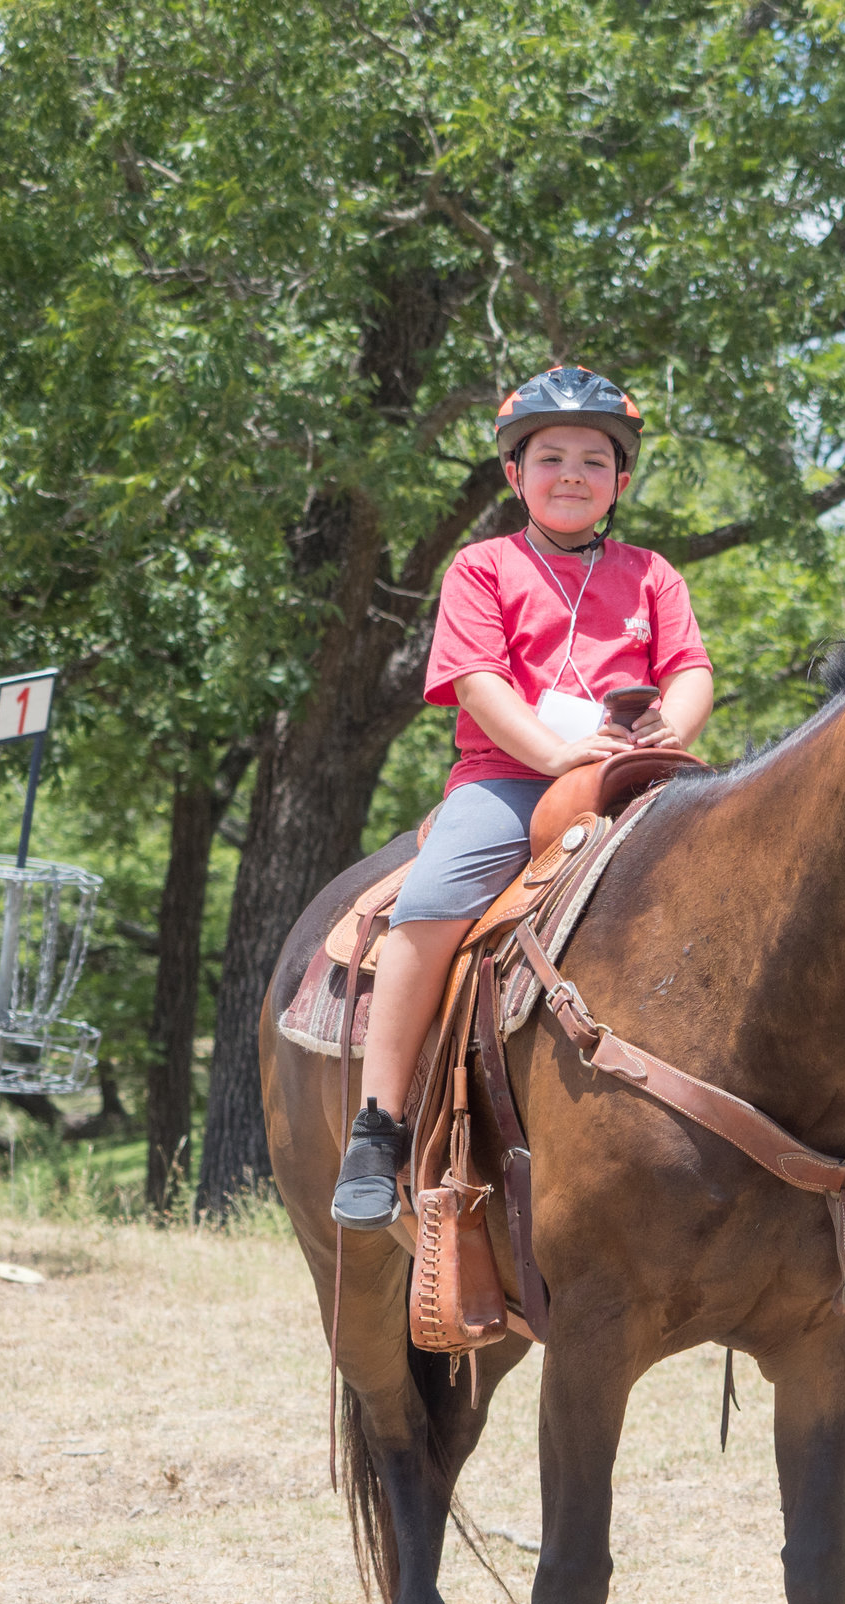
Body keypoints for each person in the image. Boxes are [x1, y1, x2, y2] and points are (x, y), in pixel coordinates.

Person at [331, 365, 715, 1230]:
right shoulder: (482, 567)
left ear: (620, 478)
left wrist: (670, 736)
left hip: (636, 778)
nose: (572, 473)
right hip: (508, 781)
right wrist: (554, 749)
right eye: (550, 457)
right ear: (515, 474)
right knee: (429, 902)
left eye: (594, 458)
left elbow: (689, 671)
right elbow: (476, 681)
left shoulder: (653, 576)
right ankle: (378, 1123)